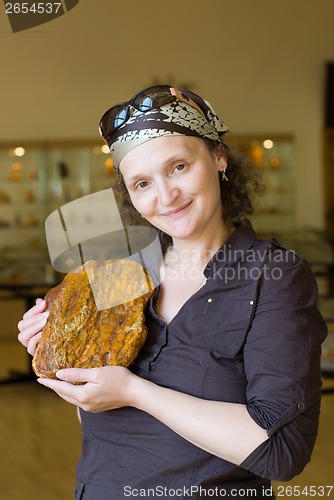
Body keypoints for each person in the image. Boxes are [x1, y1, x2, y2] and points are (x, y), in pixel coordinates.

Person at [18, 85, 327, 500]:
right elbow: (98, 415)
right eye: (142, 183)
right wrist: (56, 351)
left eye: (179, 166)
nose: (165, 196)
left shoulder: (274, 276)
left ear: (218, 158)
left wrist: (135, 392)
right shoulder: (123, 273)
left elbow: (283, 453)